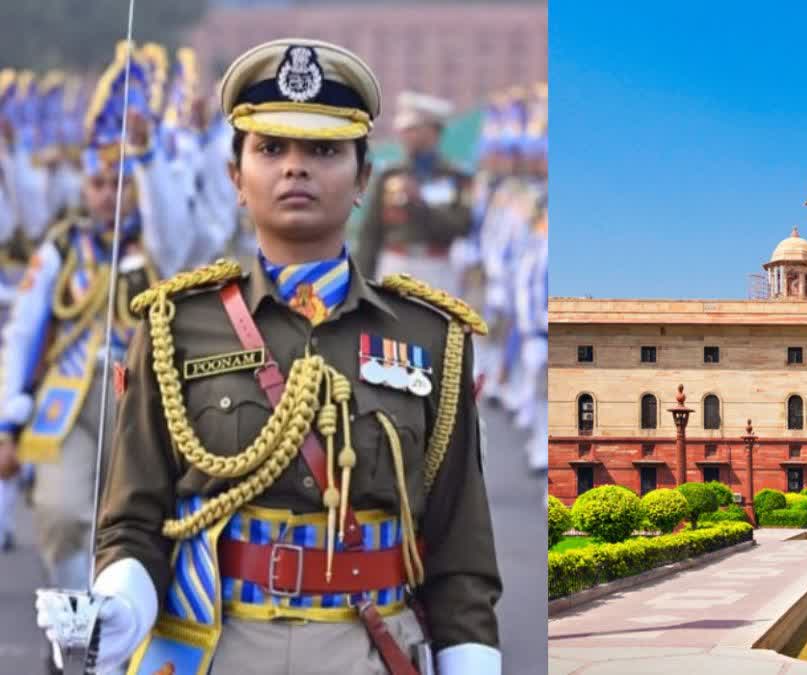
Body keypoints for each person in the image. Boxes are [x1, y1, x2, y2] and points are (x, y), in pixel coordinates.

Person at [37, 38, 500, 675]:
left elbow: (460, 552)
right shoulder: (175, 325)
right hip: (215, 646)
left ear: (363, 178)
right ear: (236, 176)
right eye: (271, 148)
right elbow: (133, 521)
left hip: (371, 645)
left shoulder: (433, 338)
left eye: (325, 151)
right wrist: (120, 605)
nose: (295, 169)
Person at [0, 41, 198, 602]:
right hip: (68, 402)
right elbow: (22, 333)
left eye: (119, 183)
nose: (106, 195)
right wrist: (6, 418)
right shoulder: (65, 247)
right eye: (97, 184)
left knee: (134, 520)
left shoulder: (158, 245)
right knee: (62, 515)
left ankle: (118, 627)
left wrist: (148, 156)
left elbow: (176, 231)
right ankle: (72, 619)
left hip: (142, 397)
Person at [355, 91, 472, 293]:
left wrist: (420, 202)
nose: (405, 135)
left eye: (413, 129)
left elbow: (462, 226)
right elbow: (371, 232)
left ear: (433, 131)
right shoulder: (390, 175)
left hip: (437, 267)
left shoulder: (456, 177)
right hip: (395, 264)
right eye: (404, 130)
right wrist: (361, 283)